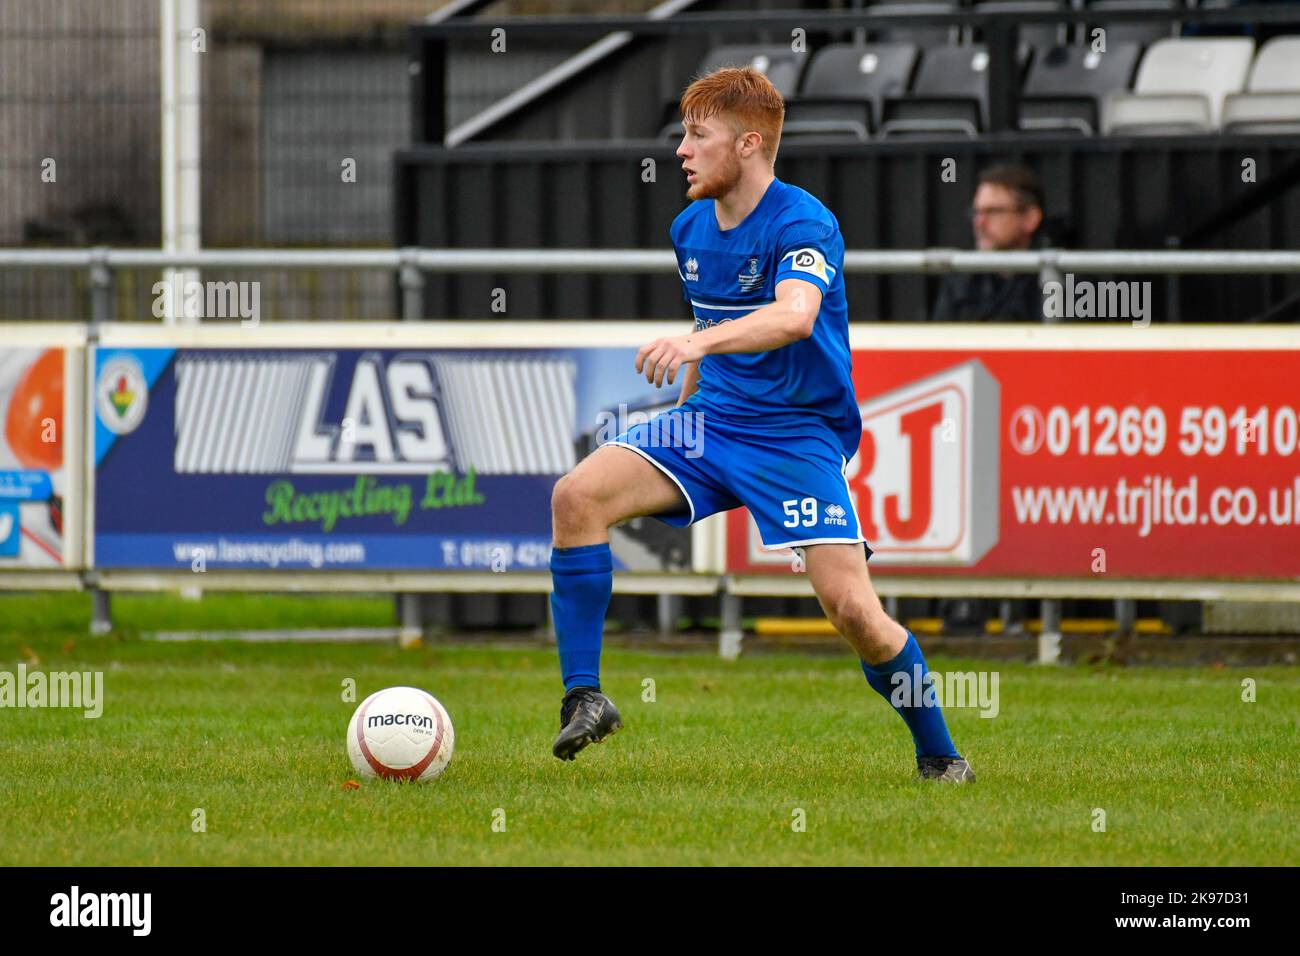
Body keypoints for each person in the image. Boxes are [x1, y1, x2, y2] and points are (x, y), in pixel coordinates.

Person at [545, 66, 973, 783]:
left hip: (796, 436)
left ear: (747, 144)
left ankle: (939, 754)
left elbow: (794, 315)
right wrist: (687, 397)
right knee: (575, 496)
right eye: (683, 134)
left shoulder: (804, 221)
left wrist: (696, 344)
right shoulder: (688, 226)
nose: (681, 150)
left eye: (697, 135)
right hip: (709, 425)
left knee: (853, 613)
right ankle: (584, 697)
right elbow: (708, 323)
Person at [931, 164, 1045, 323]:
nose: (980, 222)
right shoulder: (962, 278)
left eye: (993, 212)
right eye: (976, 212)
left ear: (1030, 218)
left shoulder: (1061, 280)